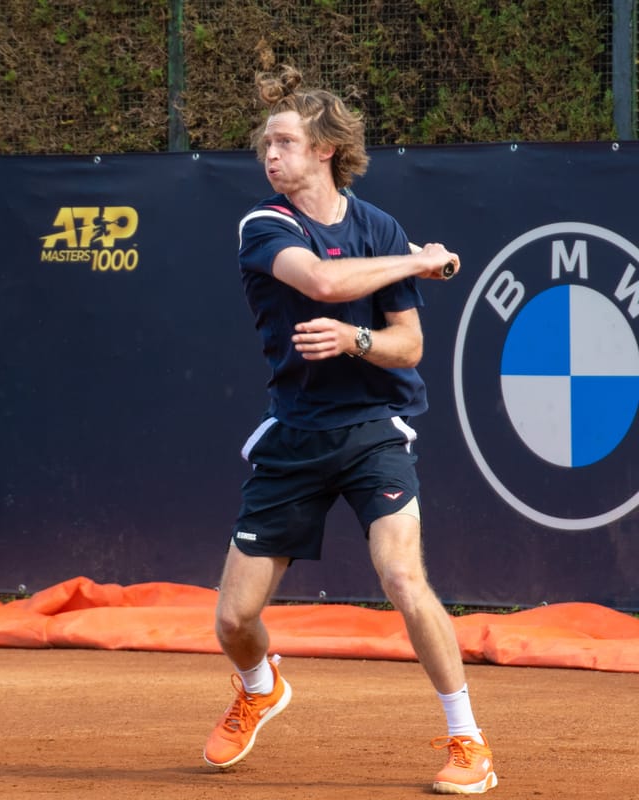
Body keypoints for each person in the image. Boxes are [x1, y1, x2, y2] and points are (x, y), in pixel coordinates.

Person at [202, 65, 497, 795]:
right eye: (265, 144)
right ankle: (260, 685)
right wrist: (422, 261)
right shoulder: (264, 224)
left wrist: (357, 342)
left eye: (285, 143)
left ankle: (468, 742)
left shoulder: (377, 227)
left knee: (402, 576)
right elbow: (326, 285)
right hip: (295, 435)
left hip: (372, 430)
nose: (270, 156)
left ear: (325, 149)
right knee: (234, 619)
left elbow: (409, 347)